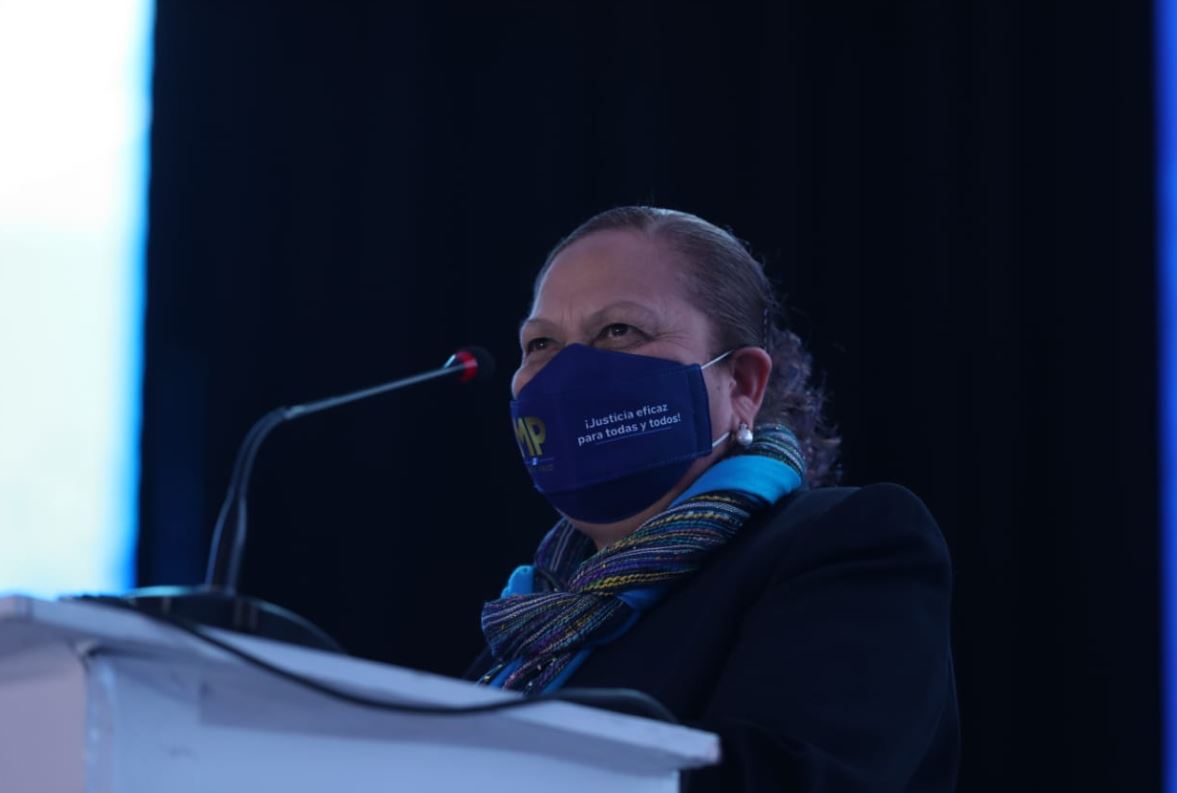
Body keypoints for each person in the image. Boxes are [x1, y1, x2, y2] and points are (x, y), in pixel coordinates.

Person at [465, 206, 959, 791]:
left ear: (743, 385)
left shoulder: (846, 544)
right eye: (541, 343)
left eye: (620, 331)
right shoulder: (525, 627)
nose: (568, 373)